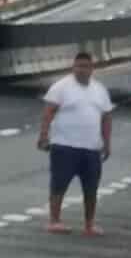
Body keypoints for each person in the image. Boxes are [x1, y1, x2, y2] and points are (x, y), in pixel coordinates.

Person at [38, 51, 112, 236]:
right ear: (73, 67)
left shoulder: (99, 90)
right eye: (78, 66)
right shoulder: (61, 87)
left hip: (91, 148)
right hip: (64, 145)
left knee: (91, 188)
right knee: (59, 184)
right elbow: (48, 112)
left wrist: (107, 142)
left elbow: (106, 117)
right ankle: (54, 221)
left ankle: (89, 224)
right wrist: (44, 135)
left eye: (86, 66)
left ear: (92, 69)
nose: (82, 70)